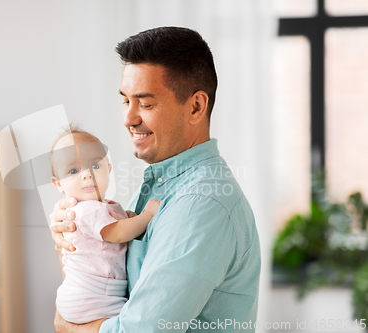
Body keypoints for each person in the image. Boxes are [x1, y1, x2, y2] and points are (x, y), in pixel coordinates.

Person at [50, 26, 261, 333]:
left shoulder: (200, 204)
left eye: (145, 104)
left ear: (195, 107)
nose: (128, 118)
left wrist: (67, 327)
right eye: (126, 101)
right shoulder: (159, 185)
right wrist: (74, 238)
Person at [50, 126, 162, 324]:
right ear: (58, 184)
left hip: (87, 293)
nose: (87, 174)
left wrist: (126, 217)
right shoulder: (88, 209)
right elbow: (118, 234)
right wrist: (147, 215)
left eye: (95, 165)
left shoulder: (99, 206)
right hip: (93, 295)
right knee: (130, 322)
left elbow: (116, 226)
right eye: (73, 170)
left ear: (109, 169)